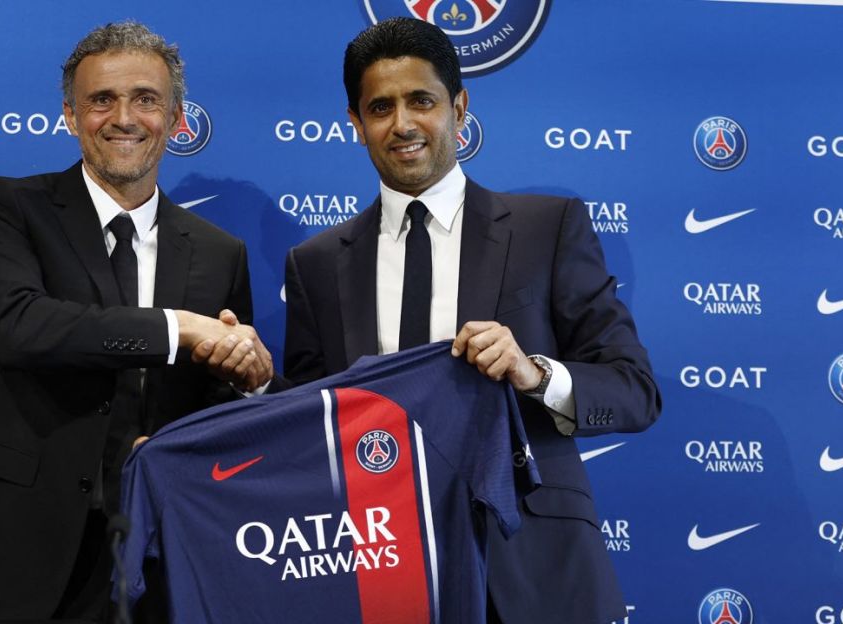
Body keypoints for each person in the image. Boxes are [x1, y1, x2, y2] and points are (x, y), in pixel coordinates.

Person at [281, 17, 661, 624]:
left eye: (422, 101)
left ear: (459, 106)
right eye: (380, 107)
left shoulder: (548, 228)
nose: (402, 124)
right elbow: (310, 418)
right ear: (356, 125)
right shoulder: (317, 265)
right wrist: (250, 386)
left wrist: (533, 373)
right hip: (380, 570)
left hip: (531, 571)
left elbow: (635, 391)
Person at [0, 21, 269, 621]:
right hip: (25, 546)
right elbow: (20, 326)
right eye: (101, 99)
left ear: (177, 119)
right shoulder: (8, 206)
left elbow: (218, 402)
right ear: (71, 117)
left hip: (164, 545)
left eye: (145, 100)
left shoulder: (218, 251)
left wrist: (247, 375)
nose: (123, 117)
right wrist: (179, 329)